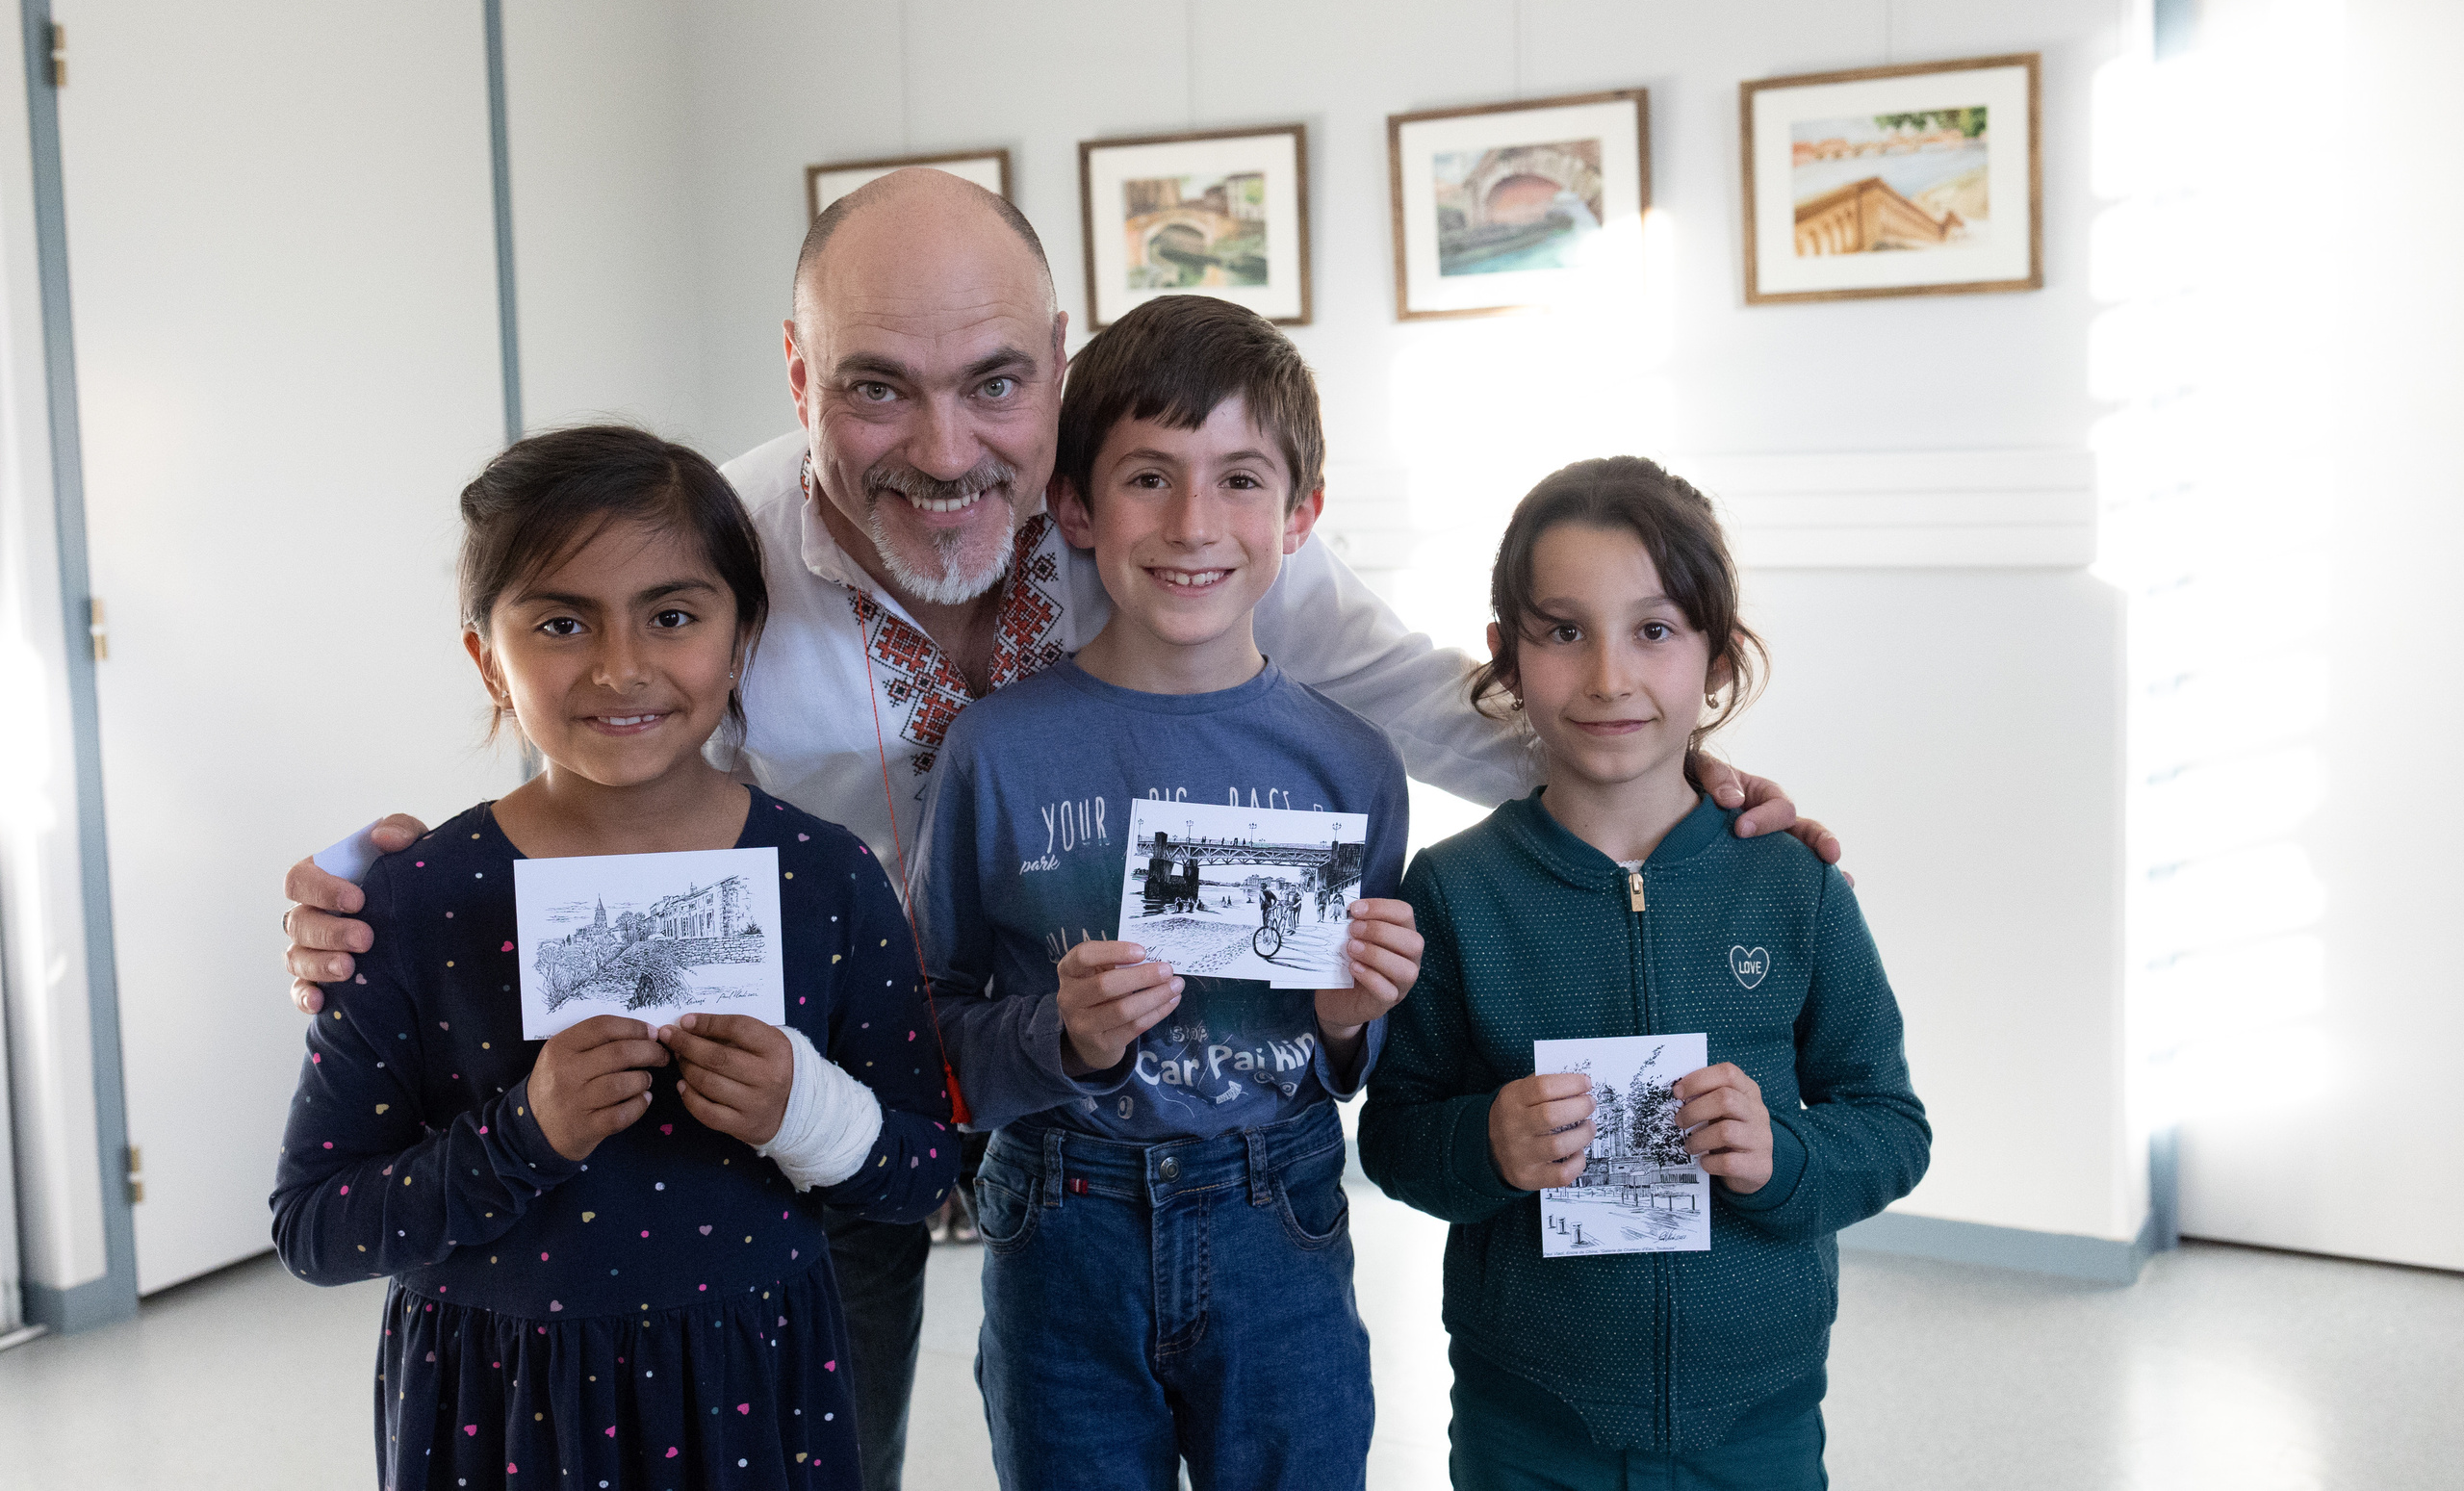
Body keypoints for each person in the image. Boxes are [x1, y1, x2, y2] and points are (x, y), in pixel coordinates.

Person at [277, 171, 1836, 1489]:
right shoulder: (719, 544)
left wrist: (1684, 790)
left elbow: (1436, 712)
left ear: (1055, 364)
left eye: (993, 384)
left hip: (1160, 1144)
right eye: (880, 383)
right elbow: (605, 729)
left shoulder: (1175, 527)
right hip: (807, 1094)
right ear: (800, 375)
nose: (948, 449)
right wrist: (412, 894)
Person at [269, 425, 953, 1489]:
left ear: (741, 639)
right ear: (484, 654)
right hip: (499, 1414)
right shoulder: (411, 903)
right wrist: (521, 1136)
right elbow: (316, 1228)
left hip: (758, 1393)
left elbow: (919, 1173)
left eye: (672, 616)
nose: (620, 666)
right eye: (558, 621)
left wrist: (803, 1113)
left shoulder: (825, 881)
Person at [915, 296, 1420, 1489]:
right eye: (1149, 477)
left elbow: (1364, 1055)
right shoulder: (995, 751)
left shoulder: (1352, 766)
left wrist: (1356, 1017)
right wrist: (1060, 1036)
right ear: (1076, 508)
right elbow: (932, 1033)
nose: (1195, 523)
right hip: (1058, 1221)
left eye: (1240, 479)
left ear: (1300, 515)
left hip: (1279, 1215)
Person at [1356, 457, 1931, 1490]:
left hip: (1758, 1417)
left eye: (1654, 631)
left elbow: (1890, 1127)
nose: (1609, 678)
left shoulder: (1792, 885)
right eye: (1562, 631)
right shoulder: (1451, 893)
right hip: (1523, 1420)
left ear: (1716, 658)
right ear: (1506, 655)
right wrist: (1485, 1140)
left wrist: (1782, 1155)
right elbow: (1394, 1135)